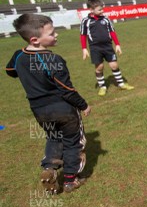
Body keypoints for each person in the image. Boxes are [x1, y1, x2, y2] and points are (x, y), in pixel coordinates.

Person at [5, 14, 91, 193]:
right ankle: (70, 180)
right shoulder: (53, 60)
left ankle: (49, 169)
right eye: (52, 33)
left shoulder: (19, 55)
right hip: (63, 109)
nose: (56, 35)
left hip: (39, 111)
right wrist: (83, 105)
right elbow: (66, 89)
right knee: (72, 142)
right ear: (35, 39)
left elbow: (10, 71)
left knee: (53, 137)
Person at [80, 0, 134, 96]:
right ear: (91, 10)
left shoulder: (106, 19)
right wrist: (84, 48)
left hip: (108, 47)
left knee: (114, 65)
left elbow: (112, 32)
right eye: (99, 9)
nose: (102, 11)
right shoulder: (85, 21)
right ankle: (102, 87)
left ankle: (121, 84)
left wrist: (117, 44)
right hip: (95, 48)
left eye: (102, 8)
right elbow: (83, 35)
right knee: (99, 67)